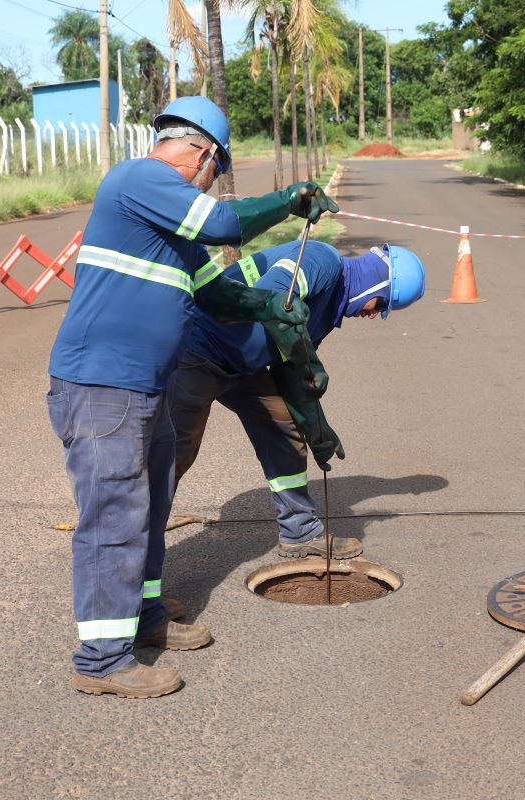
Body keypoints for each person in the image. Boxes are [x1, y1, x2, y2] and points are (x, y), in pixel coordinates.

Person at [45, 96, 338, 700]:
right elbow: (224, 225)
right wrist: (289, 201)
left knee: (150, 504)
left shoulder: (170, 231)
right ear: (203, 156)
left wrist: (270, 308)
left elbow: (221, 297)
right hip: (103, 386)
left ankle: (145, 620)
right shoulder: (138, 177)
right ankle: (102, 660)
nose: (211, 183)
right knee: (114, 517)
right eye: (215, 172)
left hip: (142, 387)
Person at [168, 239, 426, 558]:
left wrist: (317, 427)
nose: (374, 314)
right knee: (172, 455)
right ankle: (135, 572)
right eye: (382, 304)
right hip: (197, 347)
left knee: (284, 431)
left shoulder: (330, 305)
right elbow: (274, 295)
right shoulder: (322, 260)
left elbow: (287, 366)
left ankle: (300, 532)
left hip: (240, 364)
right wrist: (308, 360)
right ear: (377, 283)